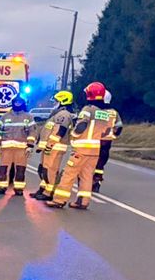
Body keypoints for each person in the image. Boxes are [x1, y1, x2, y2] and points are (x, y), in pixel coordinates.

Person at [47, 82, 118, 210]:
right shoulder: (109, 113)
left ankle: (59, 200)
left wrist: (74, 134)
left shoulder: (88, 109)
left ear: (90, 94)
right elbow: (114, 130)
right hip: (95, 150)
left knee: (68, 175)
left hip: (81, 149)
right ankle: (83, 202)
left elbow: (81, 126)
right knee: (87, 176)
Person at [30, 91, 77, 201]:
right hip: (49, 147)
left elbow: (60, 131)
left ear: (62, 101)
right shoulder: (57, 114)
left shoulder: (63, 115)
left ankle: (48, 193)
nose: (54, 103)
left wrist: (50, 144)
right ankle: (43, 189)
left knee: (50, 171)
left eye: (56, 101)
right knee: (44, 170)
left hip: (55, 147)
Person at [0, 96, 35, 196]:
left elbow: (32, 132)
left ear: (23, 103)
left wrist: (30, 145)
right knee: (3, 169)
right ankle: (1, 187)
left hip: (21, 147)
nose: (17, 104)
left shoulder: (28, 117)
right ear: (12, 103)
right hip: (6, 147)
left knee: (20, 169)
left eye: (19, 102)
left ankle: (19, 189)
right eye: (15, 102)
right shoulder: (5, 116)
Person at [93, 90, 124, 192]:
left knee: (89, 164)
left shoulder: (94, 110)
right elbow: (119, 126)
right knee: (100, 164)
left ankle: (87, 183)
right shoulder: (114, 113)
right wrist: (113, 136)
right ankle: (97, 183)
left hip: (94, 141)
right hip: (106, 143)